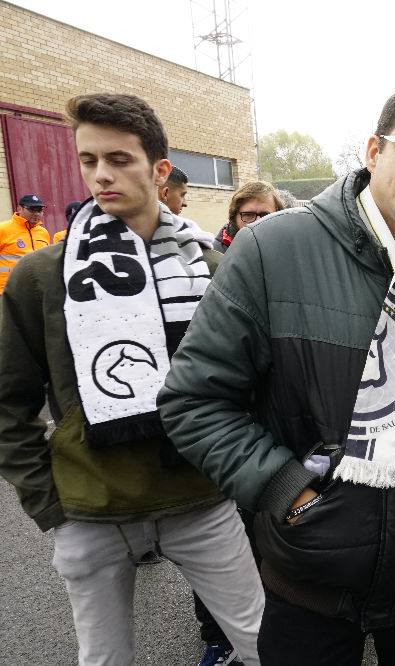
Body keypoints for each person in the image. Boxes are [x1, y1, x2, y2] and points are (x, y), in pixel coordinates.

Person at [157, 84, 395, 666]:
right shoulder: (274, 248)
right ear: (373, 150)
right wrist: (290, 495)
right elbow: (193, 400)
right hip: (304, 575)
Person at [0, 93, 263, 665]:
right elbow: (8, 403)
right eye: (89, 159)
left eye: (119, 159)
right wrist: (49, 503)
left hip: (201, 499)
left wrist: (243, 475)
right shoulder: (42, 276)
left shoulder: (211, 270)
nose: (101, 174)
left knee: (268, 646)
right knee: (104, 660)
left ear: (159, 169)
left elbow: (249, 385)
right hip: (92, 512)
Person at [212, 180, 284, 253]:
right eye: (248, 215)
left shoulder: (287, 248)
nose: (258, 222)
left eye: (265, 215)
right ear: (234, 217)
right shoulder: (215, 258)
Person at [0, 194, 51, 293]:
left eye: (39, 210)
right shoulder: (3, 229)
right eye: (32, 209)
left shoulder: (43, 233)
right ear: (19, 208)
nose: (36, 214)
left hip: (35, 292)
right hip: (7, 291)